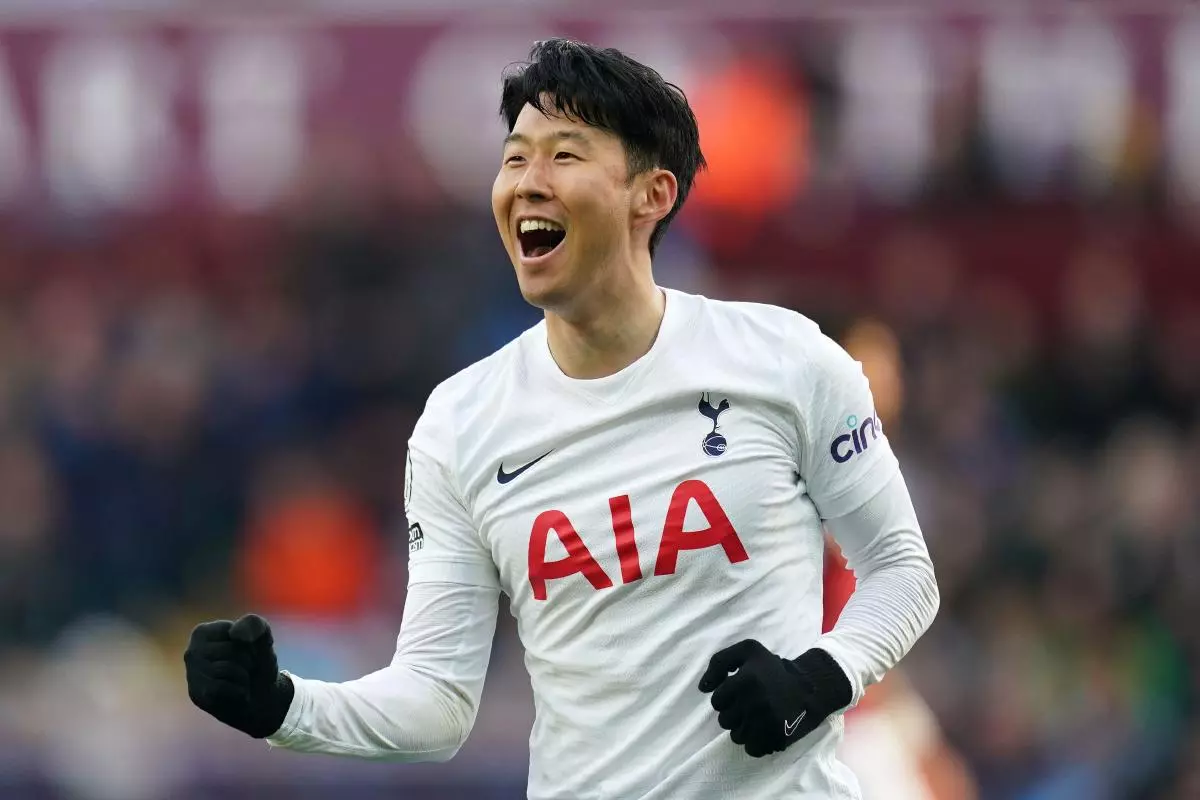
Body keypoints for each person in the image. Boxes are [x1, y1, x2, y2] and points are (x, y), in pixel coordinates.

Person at [184, 38, 940, 799]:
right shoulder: (461, 424)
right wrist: (282, 705)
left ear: (652, 194)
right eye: (515, 160)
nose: (528, 184)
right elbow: (436, 700)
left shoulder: (787, 362)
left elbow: (903, 570)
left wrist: (821, 677)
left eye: (565, 156)